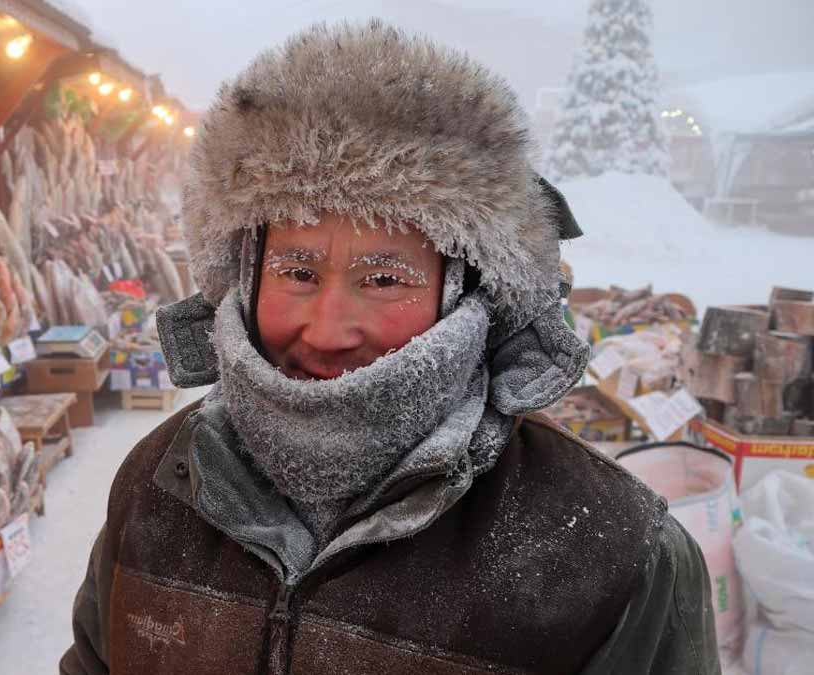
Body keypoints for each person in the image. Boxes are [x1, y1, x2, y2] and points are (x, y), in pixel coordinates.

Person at [61, 20, 719, 675]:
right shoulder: (159, 486)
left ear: (467, 291)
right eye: (297, 272)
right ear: (244, 274)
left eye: (384, 279)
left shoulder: (614, 554)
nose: (327, 329)